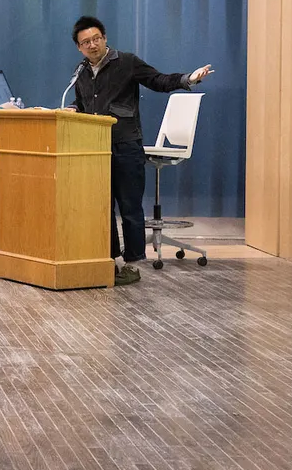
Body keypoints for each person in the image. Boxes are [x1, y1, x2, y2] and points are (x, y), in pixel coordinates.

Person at [67, 15, 214, 286]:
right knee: (102, 208)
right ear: (79, 47)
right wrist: (73, 110)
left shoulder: (127, 62)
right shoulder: (81, 72)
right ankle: (110, 260)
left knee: (130, 207)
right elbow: (81, 103)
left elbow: (158, 80)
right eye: (86, 42)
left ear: (105, 37)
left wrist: (188, 79)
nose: (92, 45)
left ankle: (134, 263)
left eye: (96, 38)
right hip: (95, 149)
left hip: (125, 145)